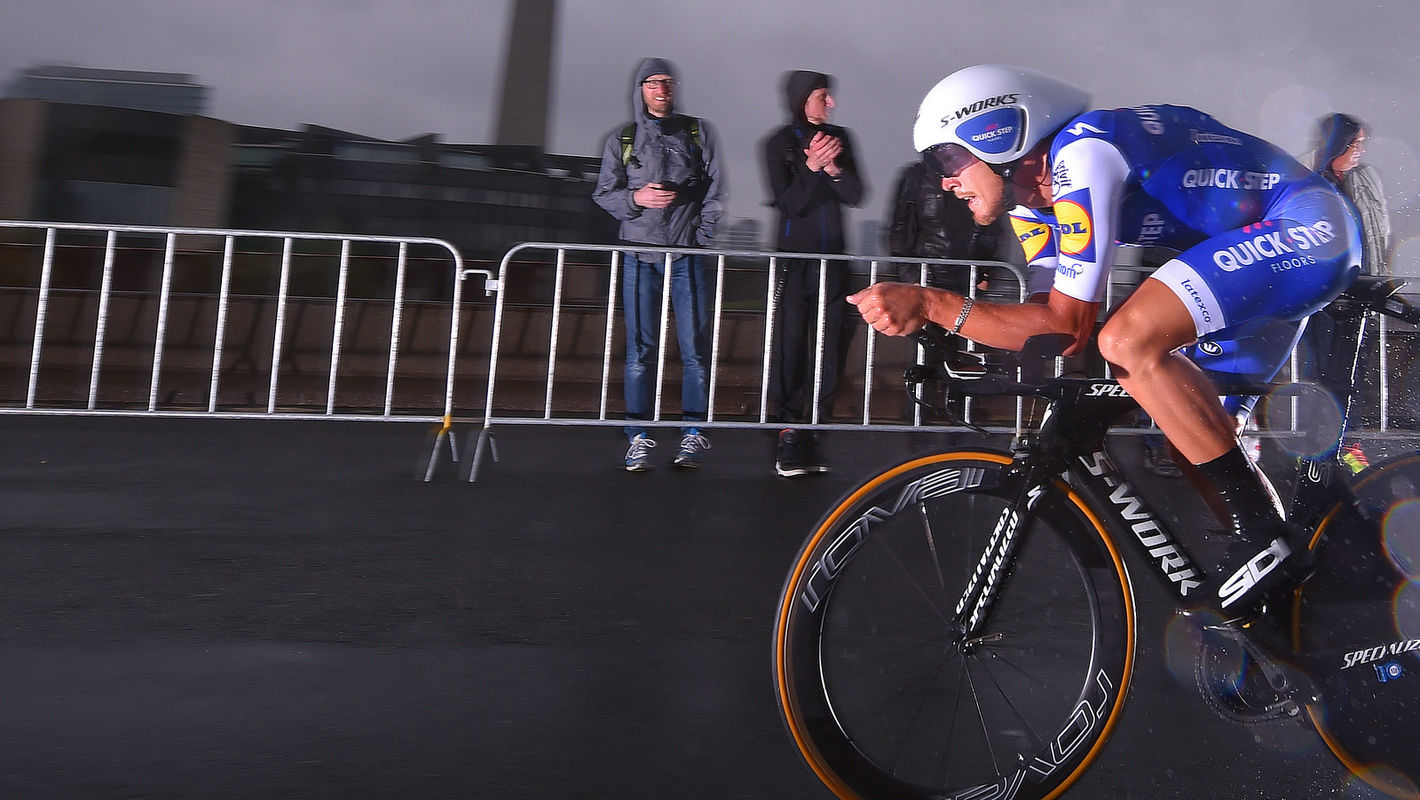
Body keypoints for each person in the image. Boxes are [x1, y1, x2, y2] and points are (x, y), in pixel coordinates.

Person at [849, 64, 1359, 620]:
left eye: (946, 159)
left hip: (1305, 229)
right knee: (1192, 432)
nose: (944, 180)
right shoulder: (1032, 205)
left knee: (1128, 341)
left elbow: (1071, 324)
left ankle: (1265, 543)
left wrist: (931, 305)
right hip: (1264, 247)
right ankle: (1296, 617)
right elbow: (1049, 328)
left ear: (1000, 134)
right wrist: (953, 332)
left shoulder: (1082, 152)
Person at [593, 57, 726, 472]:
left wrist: (701, 238)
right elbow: (604, 193)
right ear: (641, 89)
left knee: (695, 353)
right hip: (638, 256)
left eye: (667, 82)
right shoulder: (623, 139)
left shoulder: (698, 132)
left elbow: (716, 191)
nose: (661, 89)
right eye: (653, 83)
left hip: (687, 255)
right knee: (639, 352)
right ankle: (638, 437)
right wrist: (637, 200)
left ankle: (692, 435)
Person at [761, 70, 865, 477]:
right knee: (790, 346)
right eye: (824, 96)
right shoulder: (777, 144)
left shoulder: (843, 139)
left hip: (835, 261)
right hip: (794, 261)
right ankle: (788, 433)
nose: (831, 103)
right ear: (803, 99)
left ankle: (815, 430)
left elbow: (857, 195)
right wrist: (810, 167)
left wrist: (835, 169)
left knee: (832, 345)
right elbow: (789, 204)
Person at [1299, 113, 1391, 473]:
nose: (1361, 151)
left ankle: (1344, 444)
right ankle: (1318, 450)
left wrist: (1380, 279)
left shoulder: (1365, 178)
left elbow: (1377, 231)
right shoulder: (1303, 175)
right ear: (1337, 144)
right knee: (1319, 373)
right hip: (1321, 294)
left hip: (1361, 290)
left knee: (1353, 374)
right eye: (1356, 144)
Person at [886, 159, 1003, 292]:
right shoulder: (917, 177)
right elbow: (899, 230)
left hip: (967, 277)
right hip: (927, 276)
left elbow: (991, 224)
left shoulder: (977, 174)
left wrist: (985, 273)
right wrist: (910, 277)